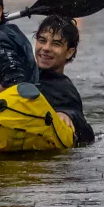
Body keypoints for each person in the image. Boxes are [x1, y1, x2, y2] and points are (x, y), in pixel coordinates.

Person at [33, 15, 96, 146]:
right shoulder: (20, 74)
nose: (46, 48)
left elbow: (85, 129)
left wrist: (66, 114)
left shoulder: (64, 89)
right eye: (42, 40)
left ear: (69, 52)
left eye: (56, 44)